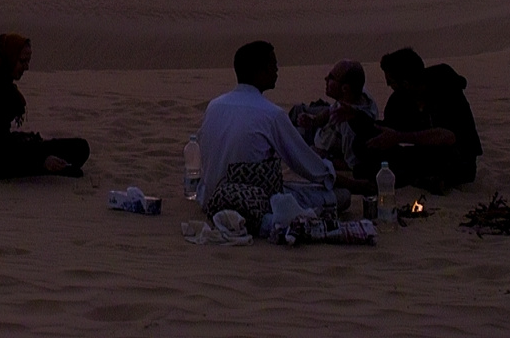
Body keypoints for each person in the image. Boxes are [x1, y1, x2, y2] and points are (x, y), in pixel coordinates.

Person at [195, 41, 338, 233]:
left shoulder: (214, 106)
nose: (277, 70)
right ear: (259, 71)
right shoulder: (271, 114)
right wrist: (333, 176)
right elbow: (304, 163)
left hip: (210, 198)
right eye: (273, 64)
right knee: (339, 196)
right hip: (251, 203)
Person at [0, 33, 89, 179]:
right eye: (22, 61)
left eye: (28, 61)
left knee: (79, 148)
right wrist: (40, 159)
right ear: (9, 58)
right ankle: (47, 167)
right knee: (77, 149)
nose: (26, 67)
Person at [361, 47, 482, 191]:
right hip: (424, 155)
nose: (389, 86)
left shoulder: (446, 90)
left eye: (391, 82)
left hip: (458, 158)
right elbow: (389, 129)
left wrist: (398, 137)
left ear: (405, 82)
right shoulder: (399, 100)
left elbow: (448, 136)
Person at [290, 59, 380, 172]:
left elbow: (351, 165)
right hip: (322, 127)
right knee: (298, 111)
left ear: (345, 88)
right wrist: (314, 120)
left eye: (331, 77)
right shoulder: (358, 93)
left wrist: (324, 157)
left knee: (290, 140)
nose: (326, 79)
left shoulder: (349, 126)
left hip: (319, 144)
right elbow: (331, 109)